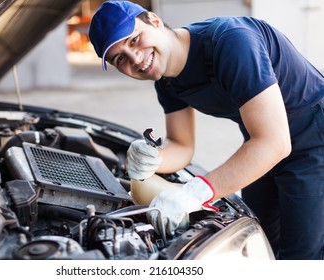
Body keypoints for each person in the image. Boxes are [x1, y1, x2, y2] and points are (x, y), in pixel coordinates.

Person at [88, 0, 324, 260]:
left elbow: (274, 143)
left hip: (314, 142)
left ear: (154, 21)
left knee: (302, 256)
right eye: (120, 58)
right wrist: (153, 159)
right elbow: (181, 145)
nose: (135, 59)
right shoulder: (167, 81)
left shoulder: (231, 42)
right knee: (259, 241)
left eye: (134, 40)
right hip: (260, 143)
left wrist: (193, 193)